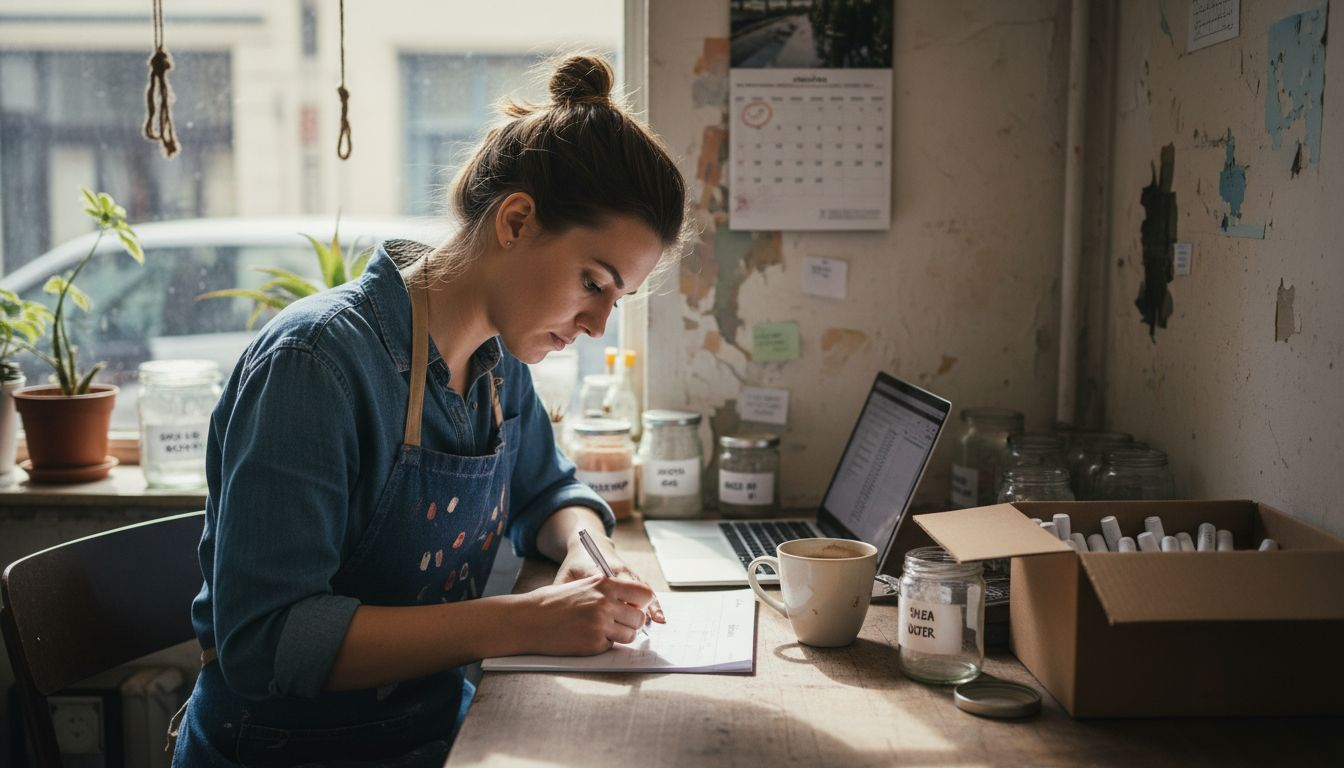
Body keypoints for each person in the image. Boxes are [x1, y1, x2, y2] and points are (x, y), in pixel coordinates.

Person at [171, 54, 689, 766]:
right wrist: (523, 621)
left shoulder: (499, 364)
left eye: (617, 299)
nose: (598, 324)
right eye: (592, 283)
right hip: (284, 749)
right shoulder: (316, 364)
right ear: (516, 221)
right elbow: (272, 642)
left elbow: (548, 490)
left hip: (440, 736)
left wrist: (580, 549)